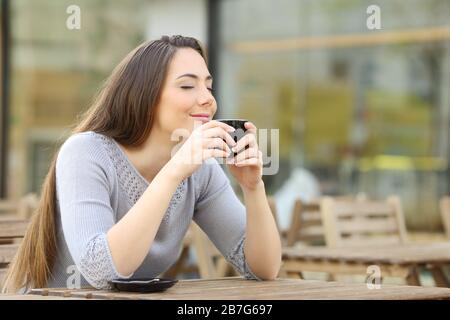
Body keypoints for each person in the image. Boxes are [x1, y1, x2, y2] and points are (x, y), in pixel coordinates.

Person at [2, 35, 281, 293]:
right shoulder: (86, 153)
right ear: (145, 96)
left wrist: (253, 187)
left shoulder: (202, 171)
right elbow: (101, 271)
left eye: (208, 86)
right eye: (187, 85)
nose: (208, 99)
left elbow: (263, 269)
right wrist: (174, 171)